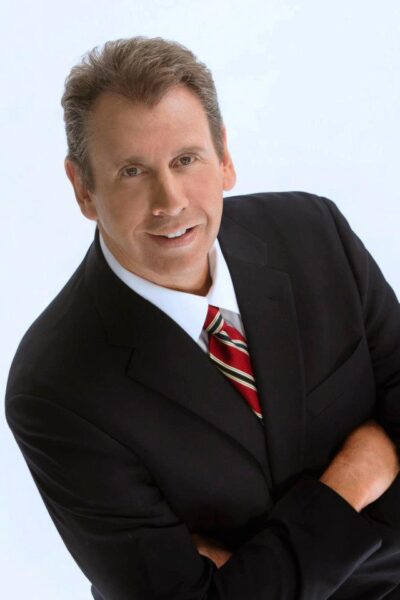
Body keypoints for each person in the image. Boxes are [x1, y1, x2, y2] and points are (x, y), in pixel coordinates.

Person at [5, 36, 400, 599]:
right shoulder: (55, 388)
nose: (170, 202)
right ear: (83, 188)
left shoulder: (314, 232)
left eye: (186, 160)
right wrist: (354, 479)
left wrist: (249, 571)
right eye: (132, 171)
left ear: (224, 157)